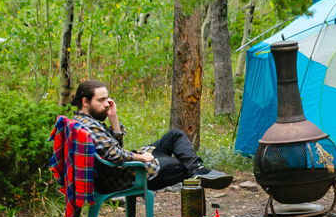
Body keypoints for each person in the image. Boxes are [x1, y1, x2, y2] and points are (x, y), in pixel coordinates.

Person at [66, 80, 234, 193]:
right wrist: (140, 157)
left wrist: (113, 117)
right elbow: (114, 154)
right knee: (184, 167)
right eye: (101, 100)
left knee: (175, 135)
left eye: (107, 100)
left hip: (125, 169)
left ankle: (199, 171)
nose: (106, 104)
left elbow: (114, 148)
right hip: (128, 175)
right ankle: (198, 175)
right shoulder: (87, 127)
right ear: (85, 102)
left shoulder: (86, 122)